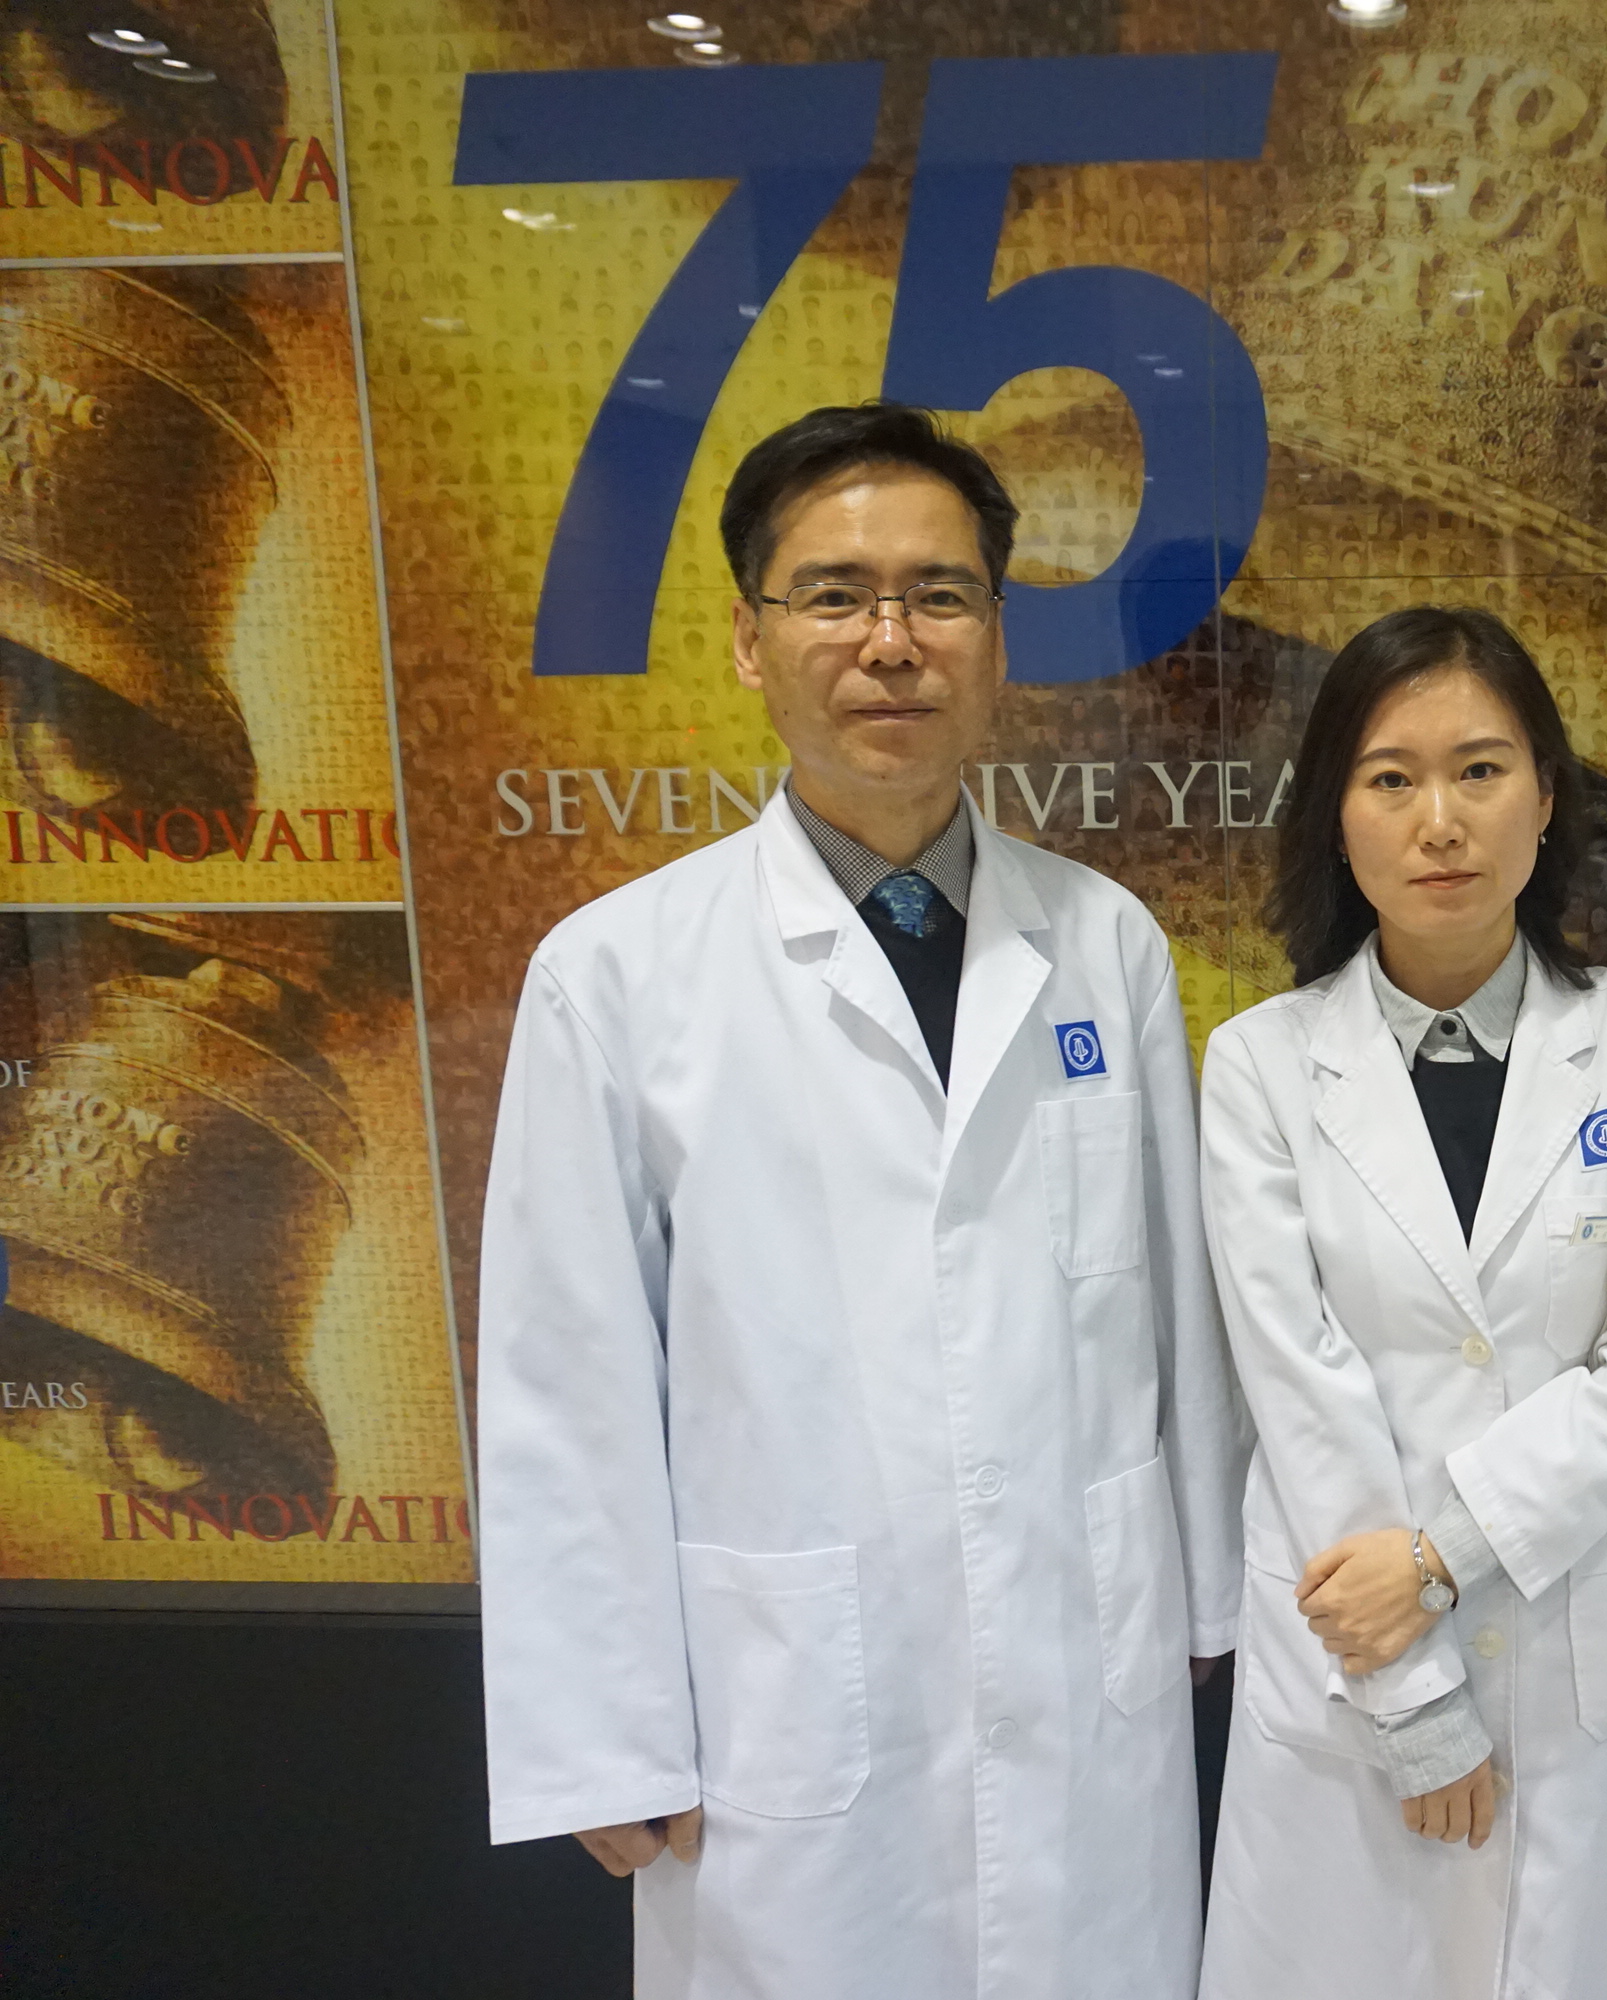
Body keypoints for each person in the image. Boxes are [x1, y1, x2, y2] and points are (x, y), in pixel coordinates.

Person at [475, 402, 1245, 1999]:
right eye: (835, 596)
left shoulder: (1105, 943)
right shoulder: (616, 976)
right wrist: (603, 1728)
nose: (891, 641)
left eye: (938, 595)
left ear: (997, 638)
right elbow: (566, 1380)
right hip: (789, 1703)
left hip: (1080, 1667)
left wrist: (1202, 1594)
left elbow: (1174, 1306)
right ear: (749, 642)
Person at [1194, 607, 1607, 2000]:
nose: (1440, 821)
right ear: (1337, 817)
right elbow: (1297, 1381)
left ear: (1547, 797)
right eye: (1391, 778)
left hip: (1584, 1655)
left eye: (1481, 771)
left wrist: (1442, 1554)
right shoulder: (1261, 1067)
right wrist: (1415, 1702)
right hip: (1357, 1661)